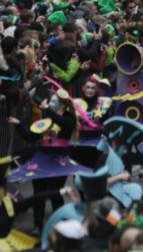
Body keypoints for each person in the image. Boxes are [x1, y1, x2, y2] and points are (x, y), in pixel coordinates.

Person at [7, 89, 83, 234]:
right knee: (38, 193)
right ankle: (38, 225)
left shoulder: (69, 118)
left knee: (56, 193)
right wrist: (18, 125)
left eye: (53, 101)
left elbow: (62, 123)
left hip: (59, 162)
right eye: (50, 101)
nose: (49, 103)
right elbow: (30, 137)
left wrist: (47, 110)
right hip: (40, 161)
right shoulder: (46, 119)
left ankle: (60, 223)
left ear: (62, 105)